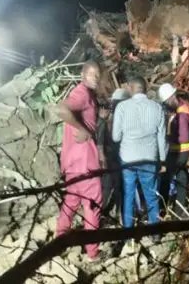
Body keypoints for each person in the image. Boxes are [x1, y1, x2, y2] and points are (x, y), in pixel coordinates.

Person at [55, 59, 105, 261]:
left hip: (72, 163)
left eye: (98, 75)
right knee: (93, 204)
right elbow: (61, 109)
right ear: (83, 75)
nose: (97, 78)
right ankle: (92, 252)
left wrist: (92, 121)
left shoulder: (88, 96)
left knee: (71, 202)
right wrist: (82, 129)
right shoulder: (82, 93)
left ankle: (58, 242)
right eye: (93, 74)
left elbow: (85, 118)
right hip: (85, 164)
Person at [113, 76, 167, 231]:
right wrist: (162, 161)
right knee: (151, 196)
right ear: (145, 88)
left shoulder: (122, 108)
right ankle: (155, 233)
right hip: (149, 159)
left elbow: (116, 137)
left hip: (128, 159)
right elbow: (161, 138)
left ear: (131, 88)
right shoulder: (157, 108)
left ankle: (129, 232)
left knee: (128, 194)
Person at [158, 83, 189, 216]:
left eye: (167, 101)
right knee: (181, 178)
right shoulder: (180, 108)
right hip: (179, 150)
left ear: (172, 97)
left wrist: (167, 137)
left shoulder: (182, 113)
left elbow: (183, 137)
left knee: (167, 178)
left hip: (180, 151)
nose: (166, 104)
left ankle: (163, 208)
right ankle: (179, 209)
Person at [97, 88, 130, 221]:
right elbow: (102, 141)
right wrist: (103, 158)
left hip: (113, 156)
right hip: (112, 157)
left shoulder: (110, 117)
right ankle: (99, 213)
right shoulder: (111, 119)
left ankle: (107, 212)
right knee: (110, 186)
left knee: (113, 186)